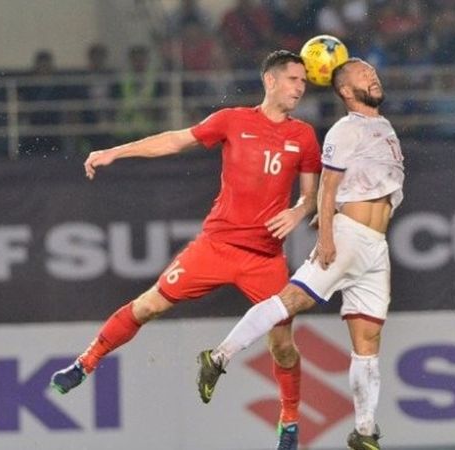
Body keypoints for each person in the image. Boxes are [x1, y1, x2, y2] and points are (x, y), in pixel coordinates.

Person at [50, 50, 321, 450]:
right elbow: (176, 140)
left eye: (303, 81)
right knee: (148, 306)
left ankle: (291, 422)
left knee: (282, 345)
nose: (300, 87)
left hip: (265, 259)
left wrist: (300, 211)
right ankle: (84, 363)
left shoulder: (304, 135)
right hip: (216, 246)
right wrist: (115, 152)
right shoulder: (233, 120)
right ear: (270, 81)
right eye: (294, 79)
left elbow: (311, 196)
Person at [196, 58, 404, 450]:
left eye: (373, 73)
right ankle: (219, 356)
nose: (373, 76)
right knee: (291, 301)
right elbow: (327, 187)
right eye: (363, 74)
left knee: (369, 336)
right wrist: (326, 235)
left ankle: (363, 431)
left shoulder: (384, 127)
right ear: (344, 90)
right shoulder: (345, 130)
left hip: (376, 247)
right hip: (348, 237)